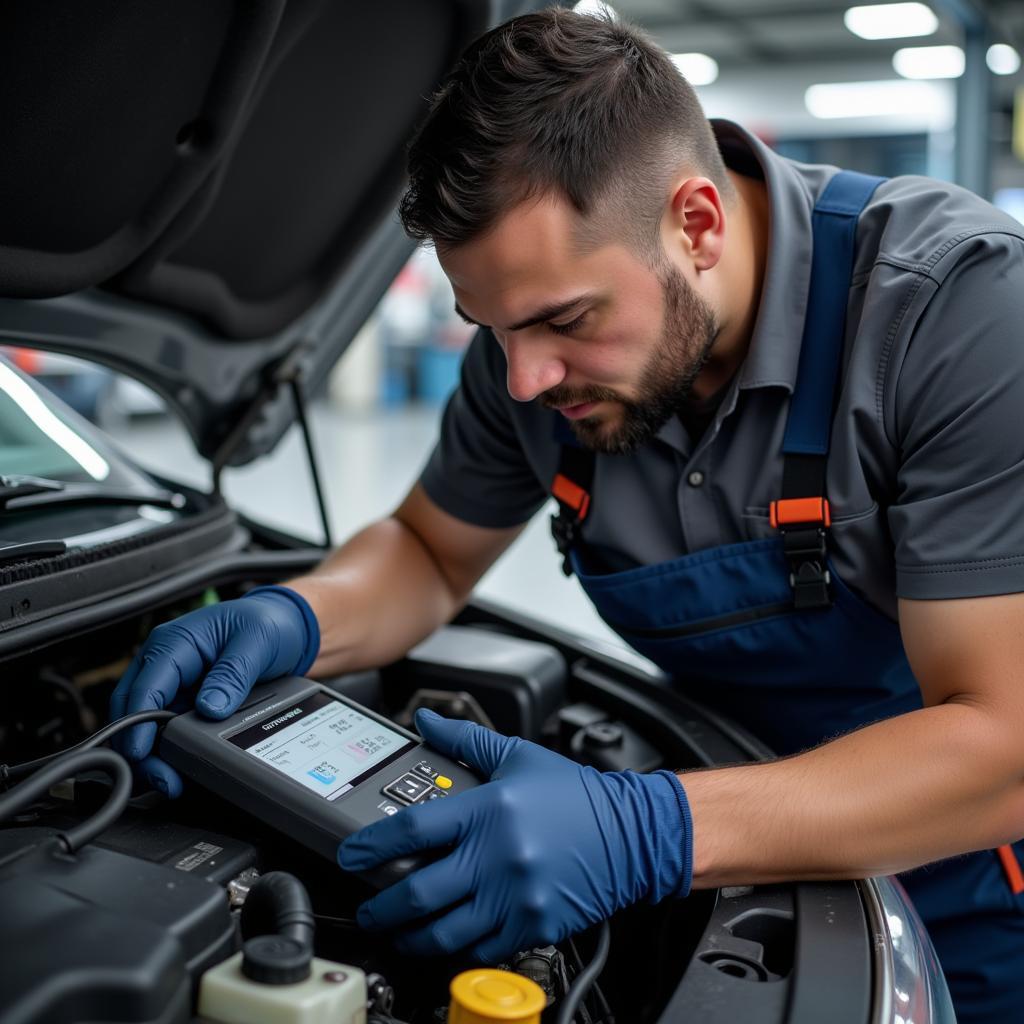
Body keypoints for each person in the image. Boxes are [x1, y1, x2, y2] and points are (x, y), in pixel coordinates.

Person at [110, 10, 1024, 1021]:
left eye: (564, 320)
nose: (525, 377)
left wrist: (649, 830)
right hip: (732, 844)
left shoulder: (956, 315)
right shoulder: (527, 363)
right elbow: (426, 550)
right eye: (491, 329)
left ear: (698, 224)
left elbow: (1001, 742)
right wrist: (296, 613)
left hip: (971, 900)